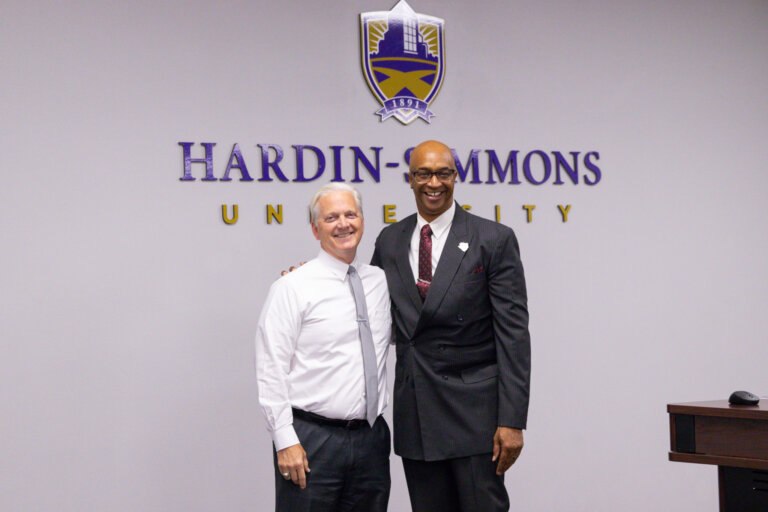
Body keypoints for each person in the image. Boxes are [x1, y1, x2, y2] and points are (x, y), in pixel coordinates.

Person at [371, 140, 531, 512]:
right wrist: (306, 279)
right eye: (423, 173)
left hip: (475, 417)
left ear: (455, 177)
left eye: (443, 173)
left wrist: (512, 420)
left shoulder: (493, 239)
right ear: (409, 179)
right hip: (417, 413)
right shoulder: (390, 239)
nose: (434, 183)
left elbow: (514, 336)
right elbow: (367, 306)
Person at [255, 183, 392, 512]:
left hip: (371, 438)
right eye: (331, 217)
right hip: (312, 439)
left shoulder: (381, 281)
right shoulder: (292, 287)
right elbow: (270, 366)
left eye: (350, 214)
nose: (343, 223)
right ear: (316, 229)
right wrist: (284, 440)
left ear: (362, 220)